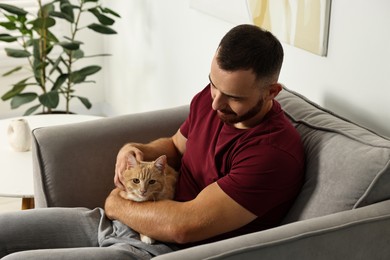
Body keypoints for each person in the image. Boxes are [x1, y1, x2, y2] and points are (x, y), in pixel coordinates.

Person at [0, 24, 304, 259]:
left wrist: (115, 202)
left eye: (234, 97)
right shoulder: (212, 101)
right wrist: (137, 149)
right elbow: (174, 147)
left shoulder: (272, 154)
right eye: (214, 85)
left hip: (157, 250)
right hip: (125, 224)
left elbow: (183, 227)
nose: (215, 104)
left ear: (271, 92)